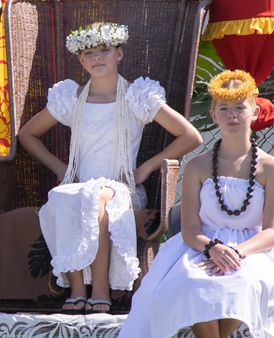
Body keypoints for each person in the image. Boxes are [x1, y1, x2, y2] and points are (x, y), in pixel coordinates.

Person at [117, 70, 274, 338]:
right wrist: (212, 248)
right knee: (194, 283)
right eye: (223, 109)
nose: (232, 115)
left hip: (252, 249)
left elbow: (272, 231)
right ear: (213, 115)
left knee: (245, 284)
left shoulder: (271, 168)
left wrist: (238, 253)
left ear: (255, 111)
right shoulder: (197, 165)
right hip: (202, 246)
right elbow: (190, 229)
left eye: (239, 107)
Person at [17, 22, 202, 314]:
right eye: (89, 52)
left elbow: (191, 136)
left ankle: (100, 286)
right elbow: (27, 134)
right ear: (81, 60)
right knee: (63, 196)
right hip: (81, 185)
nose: (97, 57)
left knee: (97, 196)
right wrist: (62, 167)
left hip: (122, 187)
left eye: (104, 50)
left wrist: (146, 168)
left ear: (119, 54)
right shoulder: (72, 99)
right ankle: (77, 288)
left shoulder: (136, 97)